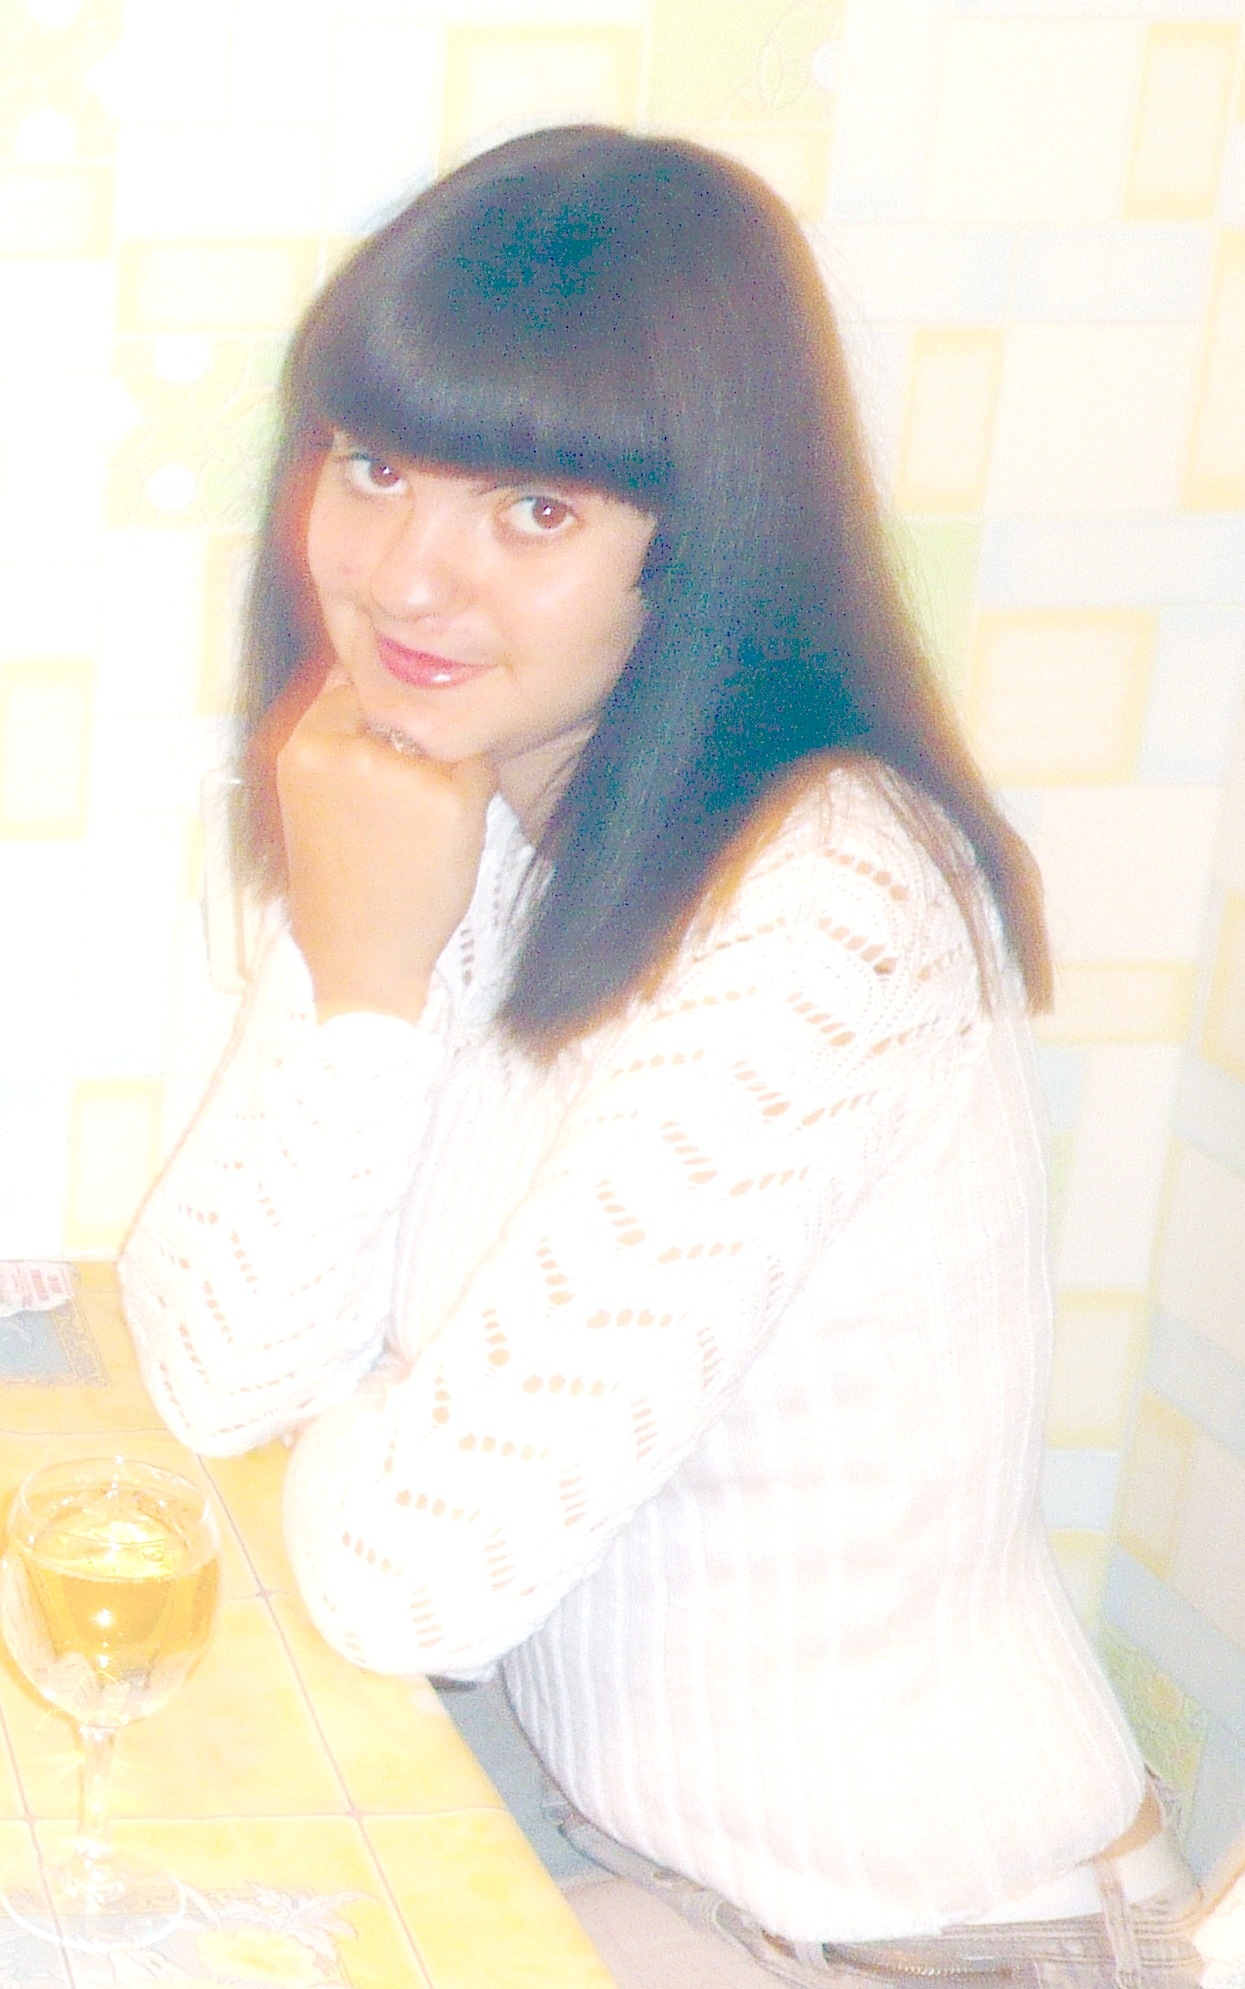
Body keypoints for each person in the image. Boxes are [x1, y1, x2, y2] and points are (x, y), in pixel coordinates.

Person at [120, 126, 1208, 1986]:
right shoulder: (469, 804)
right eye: (373, 467)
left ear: (703, 541)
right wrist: (359, 975)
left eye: (532, 511)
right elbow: (213, 1378)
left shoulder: (831, 904)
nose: (405, 578)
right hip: (614, 1854)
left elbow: (406, 1574)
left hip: (929, 1946)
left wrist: (378, 1398)